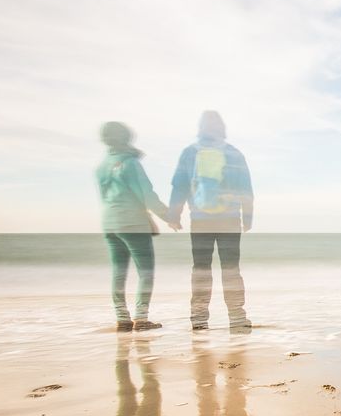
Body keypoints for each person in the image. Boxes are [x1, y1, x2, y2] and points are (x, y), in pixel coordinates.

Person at [167, 111, 254, 332]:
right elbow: (246, 190)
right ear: (222, 128)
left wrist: (174, 215)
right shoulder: (234, 154)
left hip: (200, 221)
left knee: (201, 268)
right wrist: (248, 217)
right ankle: (237, 317)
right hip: (230, 220)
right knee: (231, 268)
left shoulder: (189, 153)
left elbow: (179, 186)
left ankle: (198, 319)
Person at [95, 121, 175, 331]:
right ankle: (141, 318)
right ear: (126, 138)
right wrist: (169, 216)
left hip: (110, 223)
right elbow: (146, 195)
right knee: (145, 272)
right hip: (132, 223)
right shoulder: (131, 164)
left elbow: (104, 197)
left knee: (119, 272)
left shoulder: (102, 166)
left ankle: (122, 318)